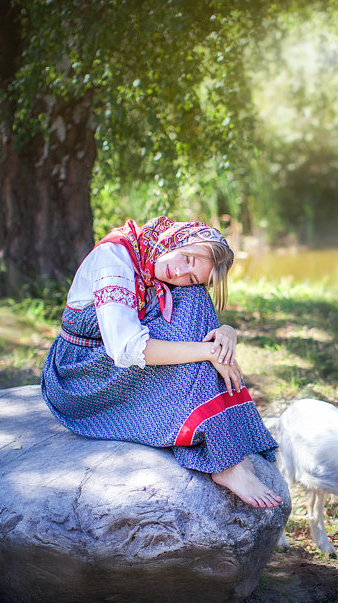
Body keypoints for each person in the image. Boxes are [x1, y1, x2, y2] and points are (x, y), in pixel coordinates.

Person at [40, 215, 283, 508]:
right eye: (187, 258)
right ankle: (225, 461)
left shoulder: (155, 260)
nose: (178, 271)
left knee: (195, 299)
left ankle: (226, 445)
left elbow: (194, 313)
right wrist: (208, 352)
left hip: (109, 364)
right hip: (79, 376)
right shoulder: (114, 258)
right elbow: (125, 348)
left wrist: (227, 334)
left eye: (191, 274)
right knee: (196, 340)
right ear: (178, 239)